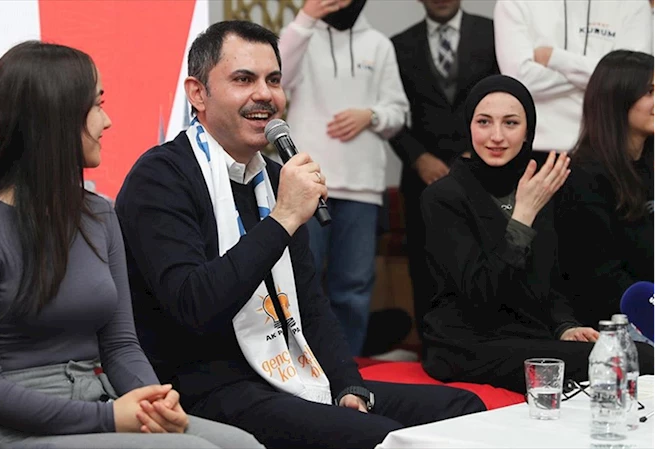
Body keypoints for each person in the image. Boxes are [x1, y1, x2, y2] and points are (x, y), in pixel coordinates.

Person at [116, 20, 485, 449]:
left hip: (292, 370)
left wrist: (348, 384)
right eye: (243, 79)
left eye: (274, 80)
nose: (265, 95)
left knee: (462, 408)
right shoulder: (160, 177)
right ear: (198, 93)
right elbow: (193, 305)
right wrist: (283, 218)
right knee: (381, 438)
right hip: (209, 386)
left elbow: (310, 303)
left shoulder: (275, 177)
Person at [0, 41, 263, 449]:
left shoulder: (99, 215)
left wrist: (154, 401)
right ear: (54, 117)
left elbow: (121, 346)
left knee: (243, 444)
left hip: (96, 401)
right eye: (96, 106)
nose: (106, 121)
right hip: (6, 428)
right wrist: (109, 417)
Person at [419, 74, 655, 394]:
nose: (497, 136)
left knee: (631, 354)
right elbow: (480, 295)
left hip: (528, 335)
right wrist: (522, 217)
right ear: (468, 126)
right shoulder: (444, 197)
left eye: (511, 123)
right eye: (484, 122)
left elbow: (548, 281)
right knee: (639, 359)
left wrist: (565, 326)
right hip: (466, 343)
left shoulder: (536, 186)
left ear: (528, 130)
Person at [277, 0, 409, 356]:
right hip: (307, 184)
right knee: (299, 281)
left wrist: (371, 115)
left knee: (353, 286)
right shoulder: (301, 37)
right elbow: (278, 78)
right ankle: (299, 364)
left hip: (362, 187)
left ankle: (347, 367)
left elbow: (398, 112)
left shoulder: (378, 44)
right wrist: (306, 17)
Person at [389, 0, 499, 337]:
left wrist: (475, 151)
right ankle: (432, 347)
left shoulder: (493, 33)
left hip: (485, 173)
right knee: (425, 268)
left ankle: (484, 344)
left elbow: (506, 98)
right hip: (422, 178)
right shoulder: (397, 45)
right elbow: (389, 113)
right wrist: (418, 158)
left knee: (486, 264)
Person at [556, 50, 654, 329]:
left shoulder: (647, 167)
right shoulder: (583, 177)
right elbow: (598, 280)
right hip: (615, 326)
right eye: (650, 91)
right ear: (618, 98)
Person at [494, 0, 653, 161]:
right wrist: (603, 73)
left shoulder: (634, 4)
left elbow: (633, 79)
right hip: (535, 149)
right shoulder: (514, 2)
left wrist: (555, 58)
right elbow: (521, 80)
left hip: (611, 151)